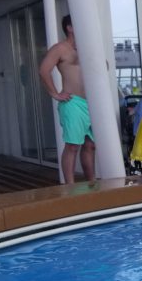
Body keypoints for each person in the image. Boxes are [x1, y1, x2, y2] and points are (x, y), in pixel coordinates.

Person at [39, 14, 96, 184]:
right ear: (69, 28)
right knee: (72, 146)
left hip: (91, 103)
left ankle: (91, 182)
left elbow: (103, 67)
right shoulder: (60, 48)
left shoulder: (87, 48)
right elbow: (44, 70)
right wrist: (55, 93)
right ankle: (69, 187)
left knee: (90, 145)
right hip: (73, 102)